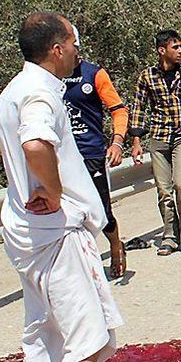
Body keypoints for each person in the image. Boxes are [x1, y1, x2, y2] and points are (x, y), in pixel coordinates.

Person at [0, 12, 124, 362]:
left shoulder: (14, 89)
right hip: (55, 232)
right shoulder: (40, 92)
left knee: (42, 333)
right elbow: (34, 143)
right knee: (86, 339)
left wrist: (25, 177)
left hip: (24, 228)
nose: (79, 52)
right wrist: (53, 187)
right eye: (75, 44)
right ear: (58, 48)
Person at [128, 30, 181, 256]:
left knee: (180, 184)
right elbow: (139, 108)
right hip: (158, 138)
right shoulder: (147, 77)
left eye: (180, 47)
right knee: (164, 191)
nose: (180, 51)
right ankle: (170, 234)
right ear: (162, 50)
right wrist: (136, 141)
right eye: (175, 47)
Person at [61, 26, 130, 278]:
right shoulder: (49, 77)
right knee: (68, 214)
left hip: (91, 153)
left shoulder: (94, 74)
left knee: (101, 211)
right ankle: (80, 264)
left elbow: (119, 110)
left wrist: (117, 141)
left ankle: (114, 244)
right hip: (61, 157)